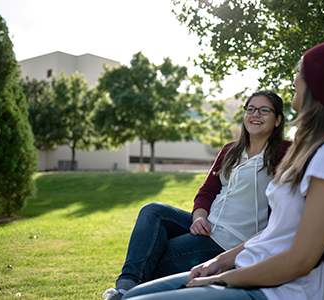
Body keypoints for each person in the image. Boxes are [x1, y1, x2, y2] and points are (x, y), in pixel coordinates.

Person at [120, 40, 324, 300]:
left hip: (270, 281)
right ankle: (126, 286)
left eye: (300, 72)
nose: (293, 81)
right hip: (239, 255)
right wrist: (218, 260)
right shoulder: (307, 149)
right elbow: (276, 228)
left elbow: (298, 256)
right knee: (148, 236)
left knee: (150, 265)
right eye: (251, 109)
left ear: (319, 83)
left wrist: (221, 274)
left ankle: (127, 286)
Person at [102, 90, 292, 300]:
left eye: (264, 110)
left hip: (229, 241)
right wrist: (199, 217)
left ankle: (125, 293)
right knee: (152, 210)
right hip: (208, 226)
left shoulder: (286, 153)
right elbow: (207, 191)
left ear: (277, 120)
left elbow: (284, 211)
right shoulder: (231, 150)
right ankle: (125, 287)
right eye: (251, 109)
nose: (256, 114)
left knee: (153, 257)